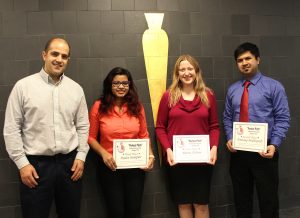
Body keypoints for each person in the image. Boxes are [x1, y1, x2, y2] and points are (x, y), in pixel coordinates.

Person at [3, 37, 89, 218]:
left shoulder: (76, 89)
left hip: (70, 166)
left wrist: (81, 156)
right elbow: (11, 129)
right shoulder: (23, 87)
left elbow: (82, 126)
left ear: (68, 60)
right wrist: (22, 164)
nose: (59, 59)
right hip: (35, 167)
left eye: (64, 56)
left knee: (70, 214)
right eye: (54, 54)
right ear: (44, 55)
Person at [223, 42, 290, 218]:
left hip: (265, 151)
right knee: (242, 200)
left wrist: (274, 145)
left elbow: (283, 119)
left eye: (248, 58)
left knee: (268, 201)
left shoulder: (274, 87)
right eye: (239, 60)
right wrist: (230, 138)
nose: (244, 63)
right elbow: (227, 118)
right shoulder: (233, 90)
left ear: (257, 59)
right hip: (239, 153)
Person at [156, 54, 220, 218]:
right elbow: (160, 127)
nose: (186, 73)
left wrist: (214, 148)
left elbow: (214, 126)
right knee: (183, 204)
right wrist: (168, 150)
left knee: (201, 205)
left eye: (190, 68)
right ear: (177, 73)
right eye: (182, 69)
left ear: (196, 71)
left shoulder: (208, 95)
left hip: (202, 159)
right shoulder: (168, 96)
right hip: (177, 159)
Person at [88, 67, 155, 218]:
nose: (121, 86)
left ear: (129, 85)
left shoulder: (137, 106)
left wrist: (150, 156)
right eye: (116, 83)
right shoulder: (99, 106)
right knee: (116, 212)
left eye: (125, 83)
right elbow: (90, 137)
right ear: (109, 85)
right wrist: (104, 154)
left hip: (135, 167)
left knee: (134, 211)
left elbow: (144, 135)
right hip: (110, 167)